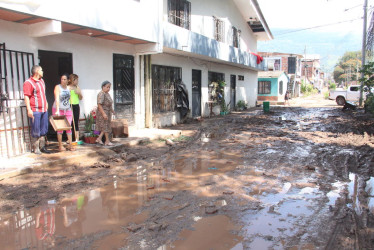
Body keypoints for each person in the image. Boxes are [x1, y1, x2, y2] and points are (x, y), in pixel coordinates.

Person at [23, 65, 51, 154]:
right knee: (36, 128)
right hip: (35, 110)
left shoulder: (42, 81)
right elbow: (26, 96)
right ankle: (36, 148)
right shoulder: (28, 82)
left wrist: (46, 102)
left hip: (43, 109)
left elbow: (43, 94)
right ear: (37, 72)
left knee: (44, 128)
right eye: (41, 70)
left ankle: (42, 147)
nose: (43, 72)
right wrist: (29, 109)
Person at [52, 74, 75, 151]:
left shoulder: (69, 88)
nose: (63, 81)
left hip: (67, 109)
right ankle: (60, 146)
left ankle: (70, 145)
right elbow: (57, 99)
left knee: (69, 127)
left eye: (65, 79)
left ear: (68, 80)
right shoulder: (57, 87)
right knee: (60, 128)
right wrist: (57, 110)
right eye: (62, 79)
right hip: (59, 109)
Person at [95, 80, 115, 146]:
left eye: (109, 87)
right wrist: (103, 113)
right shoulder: (101, 94)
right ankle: (107, 141)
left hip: (108, 112)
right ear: (103, 87)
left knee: (106, 126)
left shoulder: (107, 94)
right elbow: (99, 105)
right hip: (103, 112)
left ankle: (99, 138)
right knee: (105, 126)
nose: (108, 88)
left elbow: (109, 104)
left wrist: (112, 110)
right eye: (107, 87)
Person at [68, 74, 83, 142]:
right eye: (76, 80)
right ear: (72, 80)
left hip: (76, 105)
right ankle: (69, 139)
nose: (77, 81)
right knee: (69, 122)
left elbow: (81, 98)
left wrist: (79, 93)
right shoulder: (68, 87)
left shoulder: (77, 87)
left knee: (76, 122)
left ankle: (77, 138)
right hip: (69, 105)